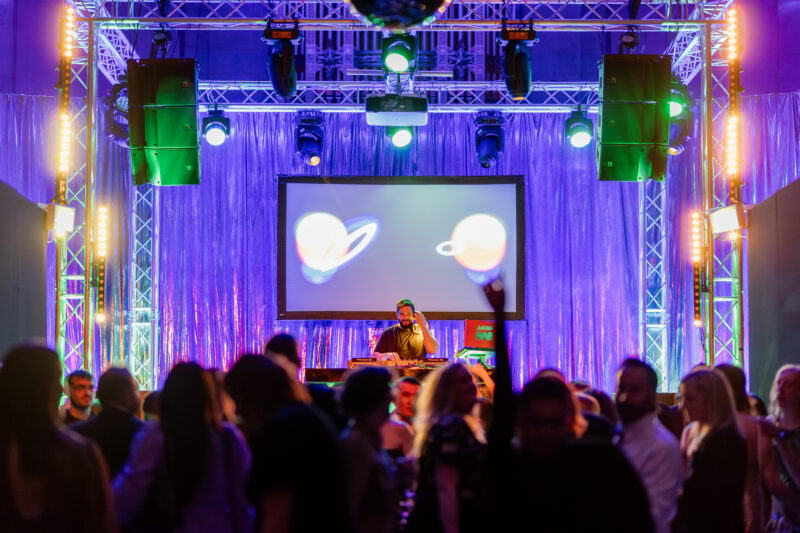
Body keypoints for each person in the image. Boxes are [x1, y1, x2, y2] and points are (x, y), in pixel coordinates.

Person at [113, 362, 252, 533]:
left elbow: (130, 493)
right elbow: (240, 504)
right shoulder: (228, 438)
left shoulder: (155, 435)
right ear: (207, 398)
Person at [225, 354, 353, 533]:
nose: (238, 411)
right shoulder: (305, 417)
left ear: (251, 395)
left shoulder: (281, 430)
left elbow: (277, 517)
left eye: (238, 399)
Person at [508, 376, 654, 532]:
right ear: (519, 422)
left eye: (554, 423)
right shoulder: (505, 470)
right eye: (536, 423)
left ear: (569, 423)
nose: (545, 432)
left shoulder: (602, 467)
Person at [0, 344, 117, 533]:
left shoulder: (80, 450)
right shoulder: (80, 454)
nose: (61, 389)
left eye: (90, 388)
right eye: (55, 379)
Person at [405, 362, 489, 533]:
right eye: (463, 381)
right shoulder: (452, 426)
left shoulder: (449, 424)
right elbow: (446, 489)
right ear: (448, 392)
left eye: (470, 380)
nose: (472, 386)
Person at [616, 358, 683, 533]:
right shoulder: (616, 435)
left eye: (635, 390)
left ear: (652, 396)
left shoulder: (662, 446)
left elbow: (653, 515)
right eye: (621, 388)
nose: (624, 397)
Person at [675, 369, 747, 533]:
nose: (682, 406)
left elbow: (713, 500)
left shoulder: (724, 442)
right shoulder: (701, 436)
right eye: (681, 398)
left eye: (690, 398)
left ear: (712, 400)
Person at [340, 368, 400, 533]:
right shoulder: (355, 445)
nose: (393, 397)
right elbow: (350, 508)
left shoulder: (371, 439)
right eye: (388, 391)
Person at [716, 363, 770, 533]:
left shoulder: (753, 426)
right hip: (749, 508)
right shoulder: (756, 425)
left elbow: (768, 476)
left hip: (741, 508)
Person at [72, 367, 143, 479]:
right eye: (136, 390)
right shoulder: (144, 433)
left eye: (90, 388)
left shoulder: (75, 433)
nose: (139, 396)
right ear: (127, 394)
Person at [760, 365, 800, 530]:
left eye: (788, 384)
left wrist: (780, 439)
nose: (781, 389)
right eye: (779, 383)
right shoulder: (769, 424)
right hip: (777, 519)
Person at [373, 299, 438, 360]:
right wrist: (385, 355)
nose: (405, 317)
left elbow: (432, 350)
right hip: (395, 369)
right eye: (402, 314)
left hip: (418, 369)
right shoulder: (388, 332)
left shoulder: (422, 330)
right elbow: (374, 356)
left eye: (408, 314)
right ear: (397, 315)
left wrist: (422, 325)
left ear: (413, 314)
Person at [380, 376, 421, 457]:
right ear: (394, 400)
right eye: (406, 395)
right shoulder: (384, 428)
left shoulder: (426, 427)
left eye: (416, 396)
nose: (411, 401)